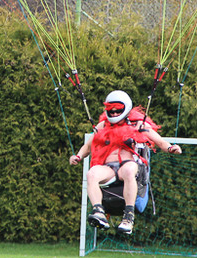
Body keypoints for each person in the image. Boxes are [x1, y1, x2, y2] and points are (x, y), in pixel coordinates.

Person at [69, 90, 182, 235]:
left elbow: (159, 141)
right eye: (111, 111)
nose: (115, 114)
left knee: (129, 170)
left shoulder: (137, 124)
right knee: (91, 174)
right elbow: (88, 146)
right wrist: (78, 156)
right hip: (108, 169)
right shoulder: (103, 125)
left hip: (127, 165)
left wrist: (171, 148)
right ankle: (99, 212)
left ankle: (128, 216)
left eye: (118, 111)